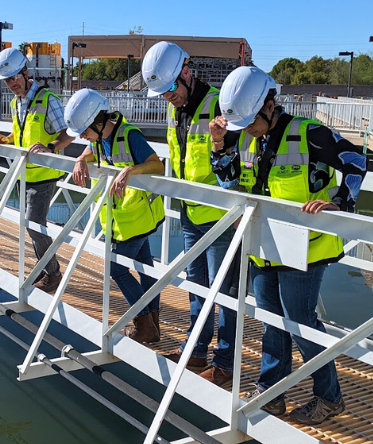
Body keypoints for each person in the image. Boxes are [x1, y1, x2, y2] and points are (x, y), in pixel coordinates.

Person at [210, 66, 367, 425]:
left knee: (300, 322)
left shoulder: (309, 133)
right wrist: (219, 143)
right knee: (270, 321)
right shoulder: (249, 137)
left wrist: (341, 202)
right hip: (265, 245)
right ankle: (272, 393)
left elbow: (358, 162)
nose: (247, 128)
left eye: (251, 121)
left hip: (306, 249)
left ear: (270, 104)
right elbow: (228, 181)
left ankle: (329, 398)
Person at [141, 41, 241, 387]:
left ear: (186, 72)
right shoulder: (174, 109)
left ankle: (225, 364)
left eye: (170, 88)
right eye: (162, 92)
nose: (168, 96)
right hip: (189, 214)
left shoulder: (220, 105)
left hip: (221, 218)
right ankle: (196, 352)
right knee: (196, 288)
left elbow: (239, 161)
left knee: (223, 292)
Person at [66, 88, 165, 343]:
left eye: (84, 131)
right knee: (145, 270)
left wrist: (131, 169)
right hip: (128, 220)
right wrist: (80, 158)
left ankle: (143, 324)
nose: (82, 136)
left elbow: (158, 165)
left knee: (117, 270)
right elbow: (90, 150)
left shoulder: (130, 135)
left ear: (99, 122)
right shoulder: (100, 138)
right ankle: (153, 323)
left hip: (137, 218)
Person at [0, 48, 73, 293]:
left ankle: (53, 273)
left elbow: (69, 132)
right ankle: (47, 269)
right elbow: (22, 133)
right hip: (25, 174)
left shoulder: (48, 99)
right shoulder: (16, 102)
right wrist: (7, 139)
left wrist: (51, 147)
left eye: (15, 77)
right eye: (7, 80)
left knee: (33, 223)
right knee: (32, 225)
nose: (12, 83)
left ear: (26, 73)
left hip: (44, 175)